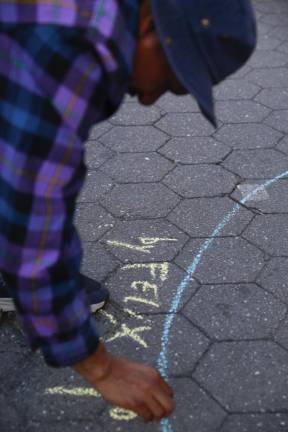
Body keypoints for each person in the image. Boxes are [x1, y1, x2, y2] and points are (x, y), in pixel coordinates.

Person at [0, 0, 256, 423]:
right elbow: (32, 215)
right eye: (174, 79)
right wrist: (99, 366)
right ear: (151, 25)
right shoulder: (77, 47)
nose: (152, 98)